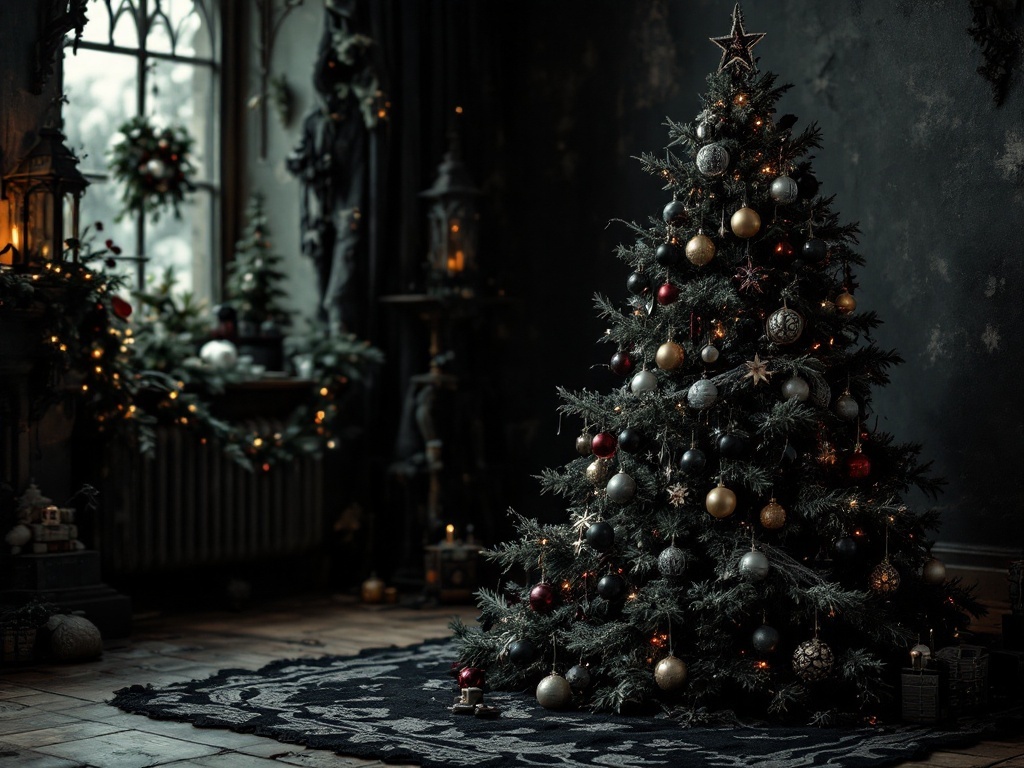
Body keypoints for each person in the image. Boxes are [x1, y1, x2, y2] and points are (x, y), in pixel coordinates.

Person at [286, 0, 378, 334]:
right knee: (322, 270)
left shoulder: (354, 118)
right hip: (319, 212)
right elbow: (300, 161)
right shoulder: (315, 122)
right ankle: (328, 333)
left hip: (345, 210)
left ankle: (339, 330)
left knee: (342, 277)